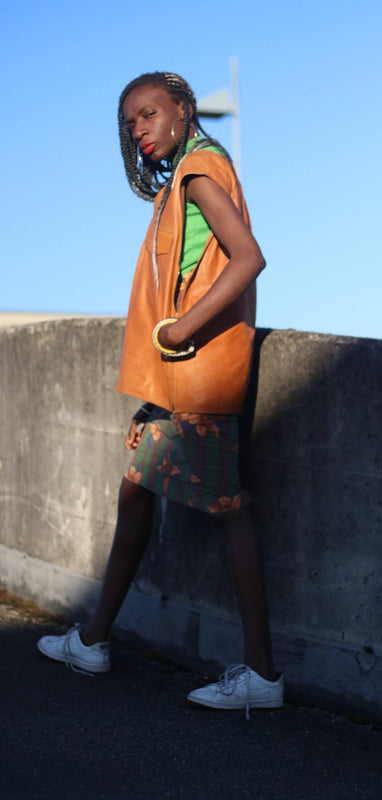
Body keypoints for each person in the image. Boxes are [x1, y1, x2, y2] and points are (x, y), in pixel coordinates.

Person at [37, 72, 282, 715]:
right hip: (179, 379)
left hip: (194, 374)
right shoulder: (186, 177)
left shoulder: (199, 171)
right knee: (135, 493)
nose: (139, 129)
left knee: (228, 509)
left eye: (148, 115)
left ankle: (262, 674)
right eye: (130, 123)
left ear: (183, 109)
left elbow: (248, 257)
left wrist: (181, 327)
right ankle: (92, 640)